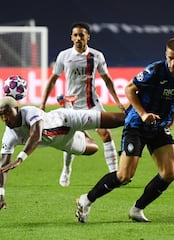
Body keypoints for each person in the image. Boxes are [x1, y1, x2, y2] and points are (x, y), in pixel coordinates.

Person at [75, 37, 174, 223]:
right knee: (124, 176)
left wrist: (172, 117)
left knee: (169, 173)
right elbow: (129, 89)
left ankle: (137, 209)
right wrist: (142, 114)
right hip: (137, 124)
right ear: (166, 55)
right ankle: (86, 200)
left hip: (159, 126)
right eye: (170, 58)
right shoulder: (155, 70)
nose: (173, 63)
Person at [0, 96, 125, 214]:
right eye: (1, 115)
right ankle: (70, 107)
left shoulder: (30, 112)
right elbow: (3, 167)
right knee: (93, 148)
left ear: (16, 110)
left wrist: (20, 159)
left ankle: (139, 115)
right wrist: (0, 195)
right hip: (62, 143)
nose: (4, 118)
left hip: (67, 118)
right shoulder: (9, 136)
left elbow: (36, 136)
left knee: (117, 120)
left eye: (7, 113)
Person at [40, 22, 125, 187]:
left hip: (92, 104)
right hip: (71, 107)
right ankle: (66, 169)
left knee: (106, 134)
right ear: (71, 37)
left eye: (82, 35)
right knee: (69, 140)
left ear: (88, 37)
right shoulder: (64, 56)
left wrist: (118, 101)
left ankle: (115, 174)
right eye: (76, 35)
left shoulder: (97, 56)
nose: (78, 38)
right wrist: (42, 103)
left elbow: (107, 79)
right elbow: (52, 80)